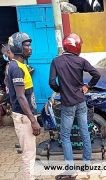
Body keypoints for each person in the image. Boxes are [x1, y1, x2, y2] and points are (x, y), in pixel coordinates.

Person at [49, 33, 100, 178]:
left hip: (67, 104)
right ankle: (86, 164)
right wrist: (87, 86)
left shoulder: (56, 61)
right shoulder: (81, 61)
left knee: (65, 135)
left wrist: (61, 90)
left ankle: (70, 169)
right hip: (81, 101)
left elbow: (52, 82)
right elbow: (96, 74)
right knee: (85, 132)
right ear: (76, 47)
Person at [6, 32, 41, 180]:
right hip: (24, 117)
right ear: (18, 47)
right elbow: (20, 96)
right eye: (26, 45)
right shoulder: (16, 68)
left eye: (29, 45)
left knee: (31, 152)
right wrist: (33, 120)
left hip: (25, 115)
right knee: (28, 154)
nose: (30, 48)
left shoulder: (21, 65)